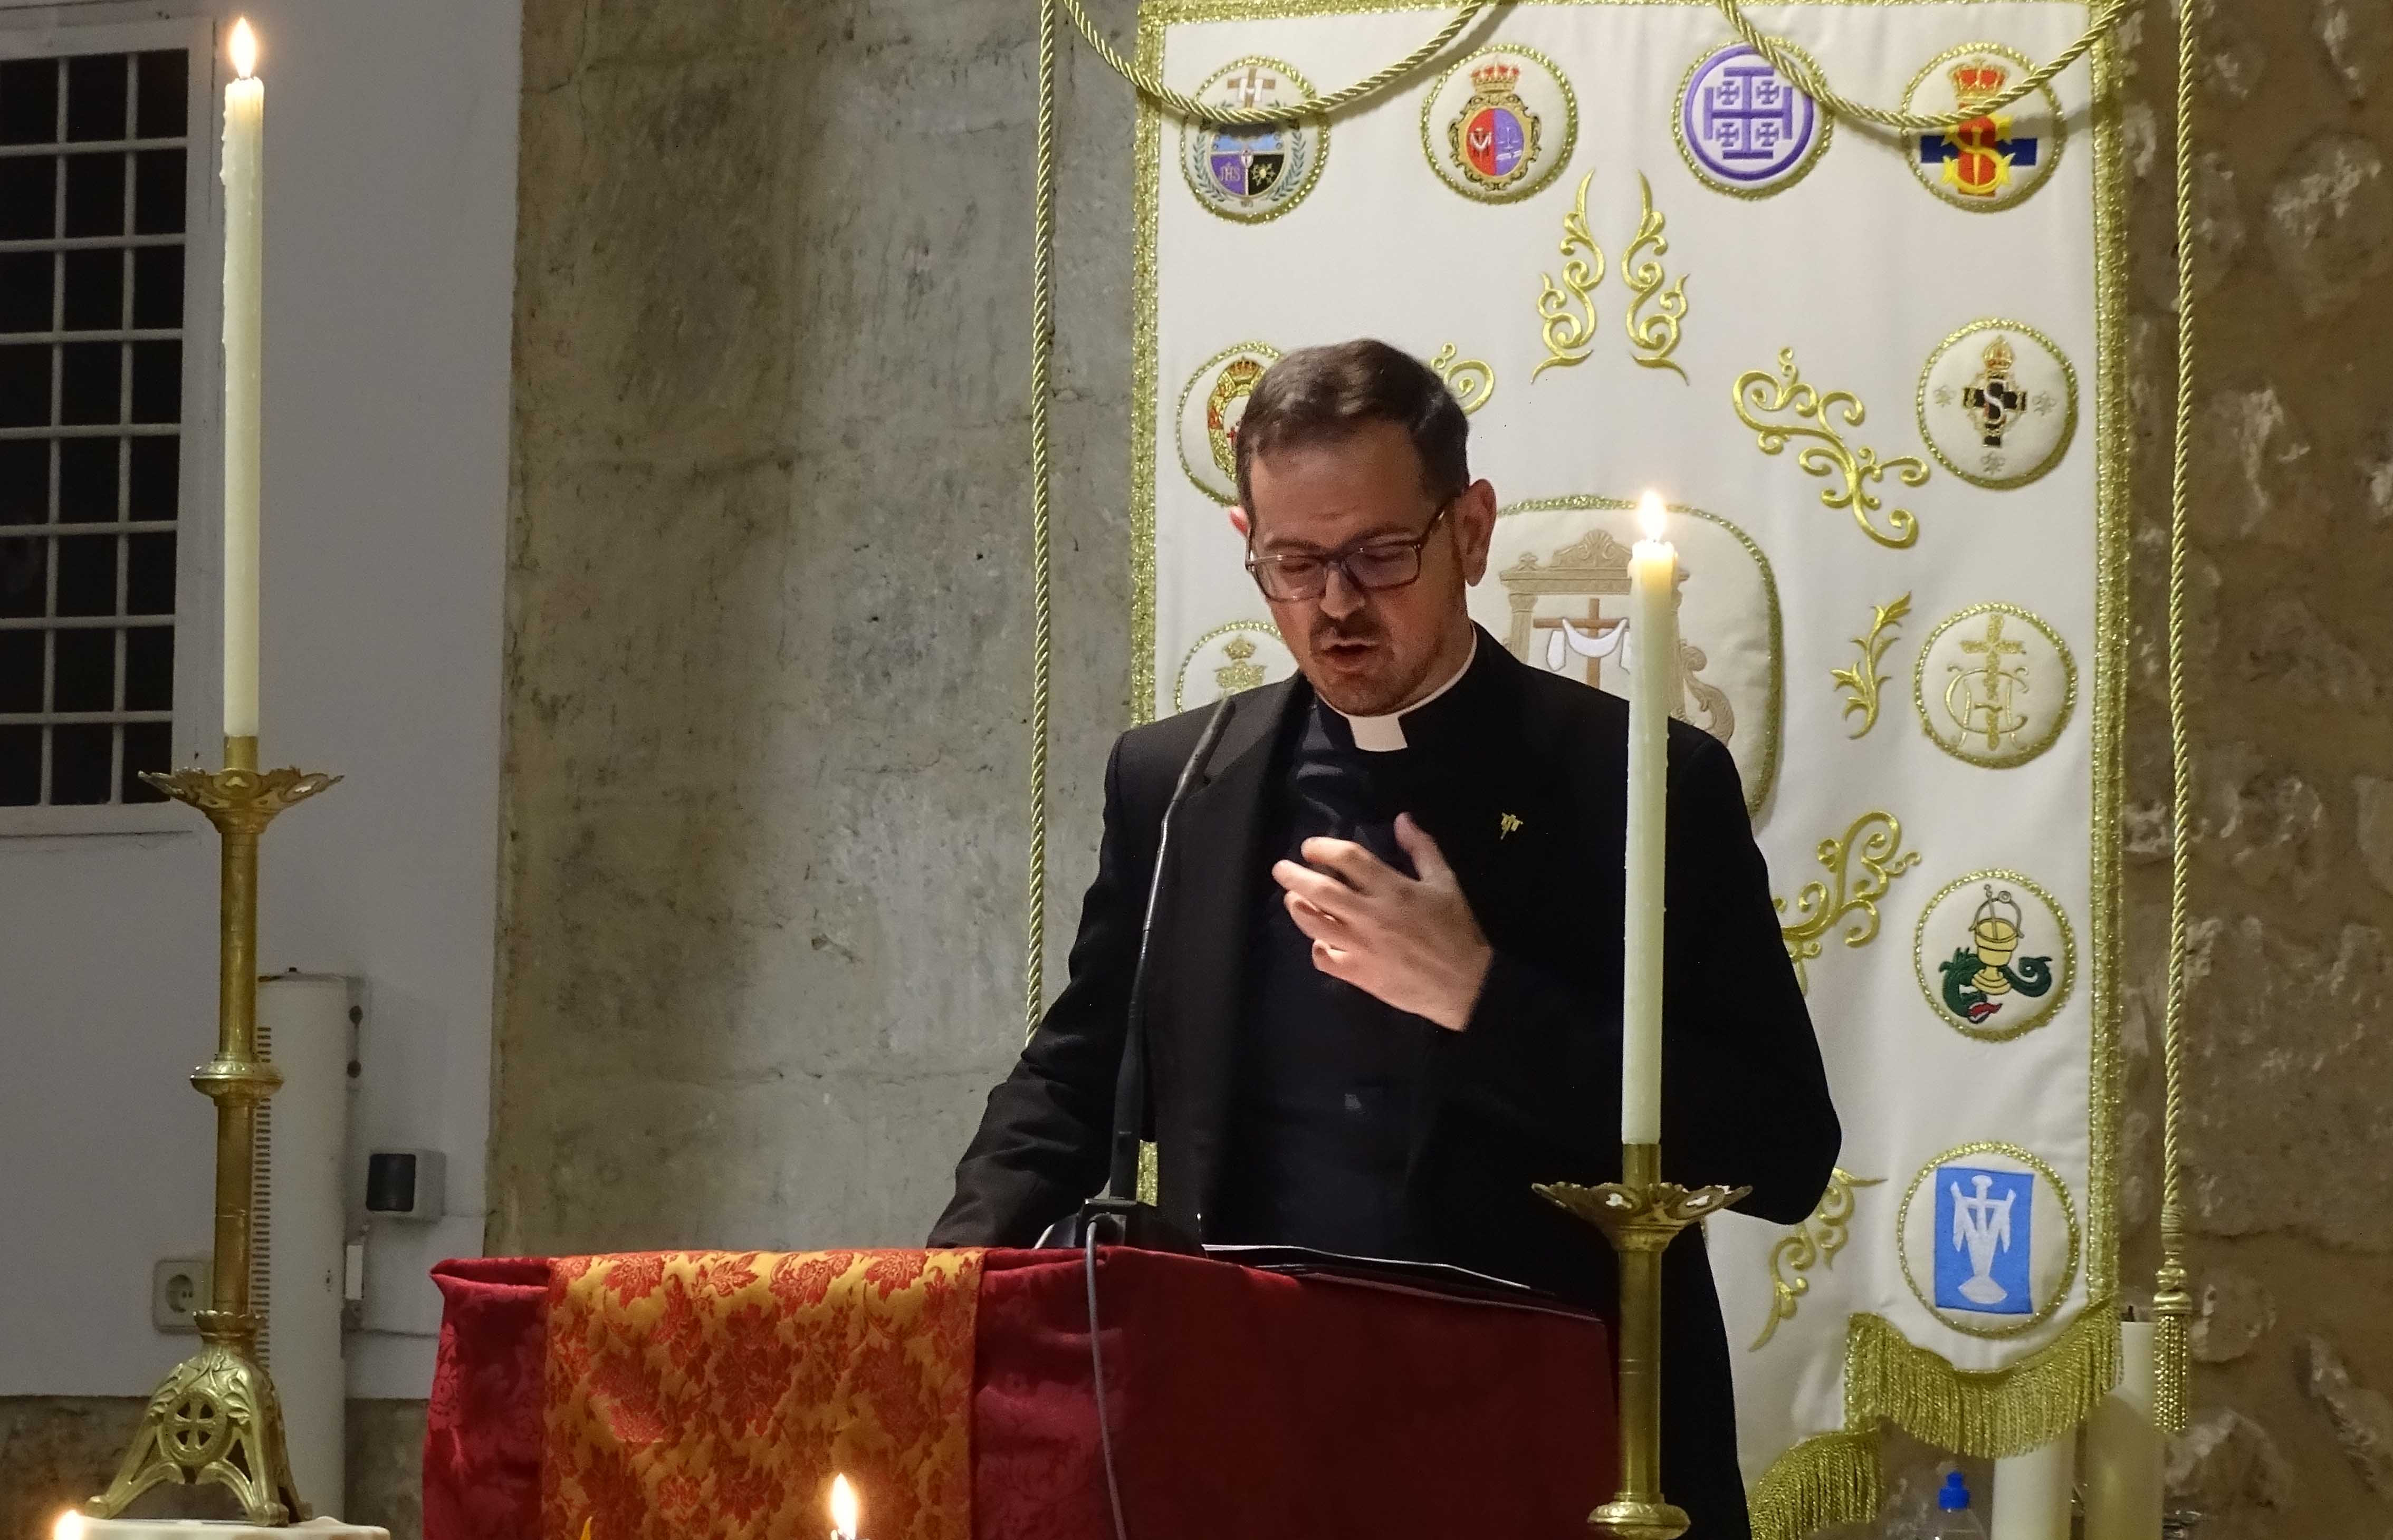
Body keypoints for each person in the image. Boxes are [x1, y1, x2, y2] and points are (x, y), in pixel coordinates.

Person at [931, 338, 1839, 1537]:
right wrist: (937, 1296)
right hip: (1256, 1430)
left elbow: (1784, 1148)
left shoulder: (1639, 783)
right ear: (1248, 544)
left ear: (1472, 530)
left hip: (1547, 1435)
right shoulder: (1179, 781)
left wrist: (1480, 995)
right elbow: (1074, 1075)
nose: (1336, 605)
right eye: (1294, 563)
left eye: (1378, 555)